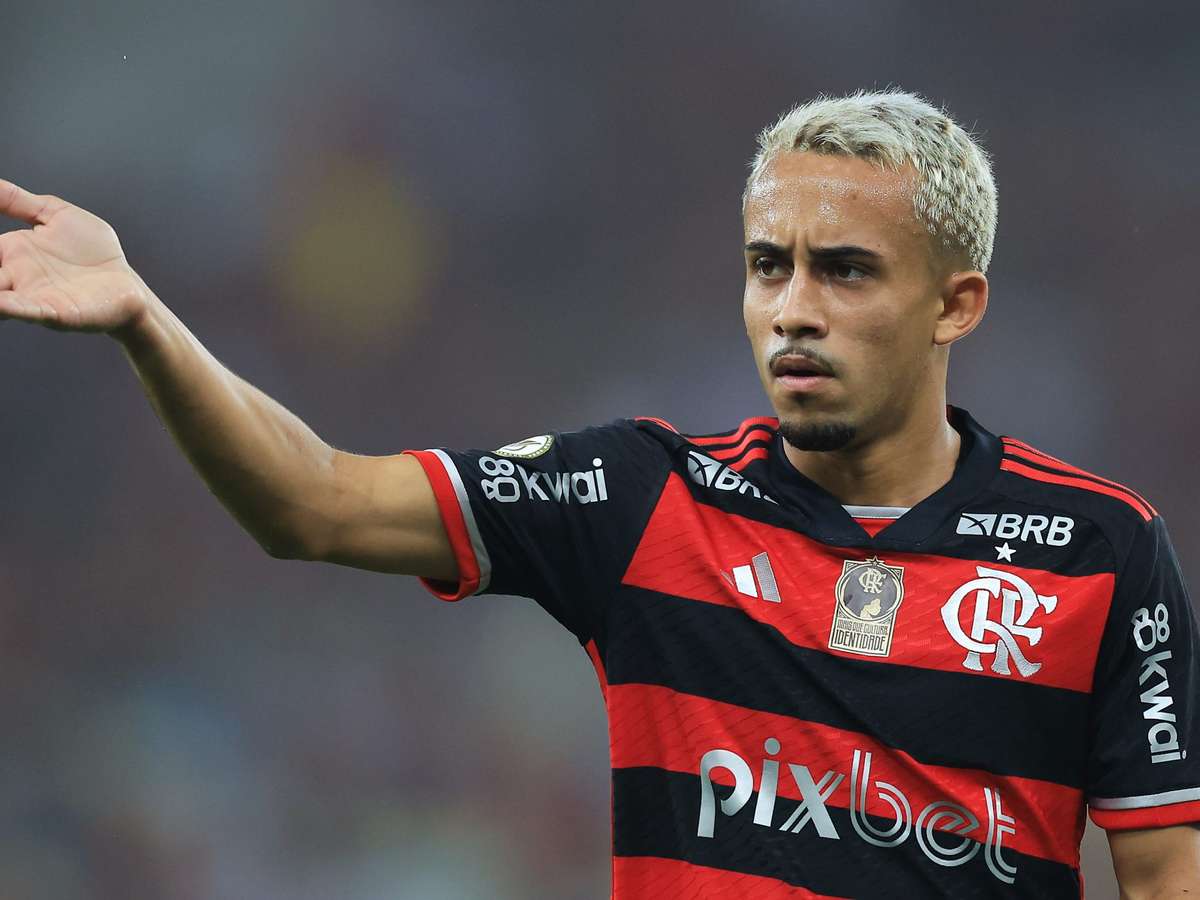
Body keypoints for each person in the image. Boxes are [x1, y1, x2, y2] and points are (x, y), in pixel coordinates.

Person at [0, 89, 1195, 897]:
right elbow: (314, 503)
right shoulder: (643, 497)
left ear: (954, 305)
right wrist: (145, 321)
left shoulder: (1101, 550)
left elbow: (1162, 880)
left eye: (845, 271)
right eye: (769, 266)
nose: (794, 310)